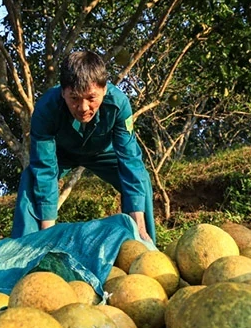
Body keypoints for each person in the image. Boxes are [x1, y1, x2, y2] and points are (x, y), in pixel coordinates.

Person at [11, 50, 156, 243]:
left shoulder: (119, 104)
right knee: (30, 179)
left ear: (105, 90)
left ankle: (144, 244)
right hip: (62, 154)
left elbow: (130, 159)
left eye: (91, 98)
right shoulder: (46, 109)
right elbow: (44, 168)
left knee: (141, 179)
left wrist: (138, 224)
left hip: (103, 153)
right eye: (74, 99)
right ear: (63, 92)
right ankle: (28, 249)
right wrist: (47, 234)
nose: (83, 108)